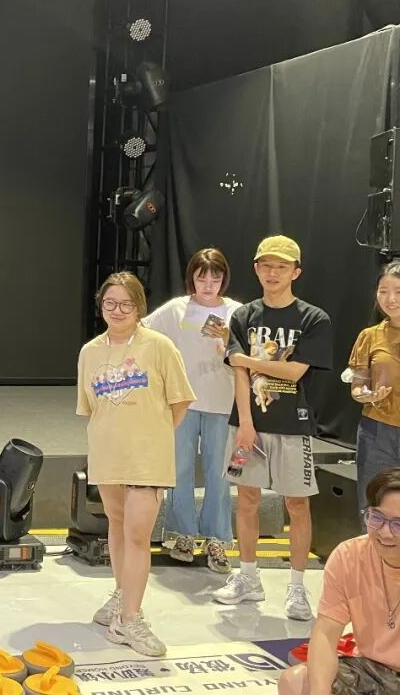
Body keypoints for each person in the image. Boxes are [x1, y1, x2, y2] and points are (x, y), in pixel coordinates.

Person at [213, 235, 332, 621]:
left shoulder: (313, 319)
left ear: (295, 272)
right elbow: (237, 375)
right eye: (266, 265)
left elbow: (294, 372)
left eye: (281, 266)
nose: (273, 272)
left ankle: (297, 587)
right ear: (256, 269)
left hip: (293, 426)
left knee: (297, 504)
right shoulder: (243, 316)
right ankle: (248, 577)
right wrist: (245, 423)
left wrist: (246, 360)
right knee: (246, 498)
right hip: (247, 425)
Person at [80, 271, 195, 657]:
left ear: (139, 307)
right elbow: (92, 407)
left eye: (126, 304)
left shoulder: (160, 346)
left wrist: (152, 436)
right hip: (107, 453)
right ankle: (122, 593)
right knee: (116, 525)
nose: (117, 310)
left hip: (148, 457)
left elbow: (180, 402)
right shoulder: (89, 352)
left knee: (137, 534)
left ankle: (130, 620)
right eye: (109, 303)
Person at [143, 247, 241, 573]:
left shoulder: (236, 312)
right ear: (192, 279)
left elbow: (252, 354)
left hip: (222, 402)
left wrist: (228, 339)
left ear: (224, 279)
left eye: (216, 278)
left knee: (219, 474)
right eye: (202, 278)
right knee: (179, 469)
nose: (209, 285)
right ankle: (182, 533)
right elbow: (144, 331)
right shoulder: (177, 309)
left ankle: (217, 539)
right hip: (182, 402)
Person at [277, 467, 400, 695]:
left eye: (397, 524)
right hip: (374, 670)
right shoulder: (349, 556)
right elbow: (325, 634)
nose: (385, 532)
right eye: (377, 517)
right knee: (295, 681)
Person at [347, 260, 400, 512]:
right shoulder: (369, 336)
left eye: (398, 291)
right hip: (377, 431)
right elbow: (357, 387)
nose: (391, 299)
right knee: (373, 505)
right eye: (383, 291)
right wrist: (367, 395)